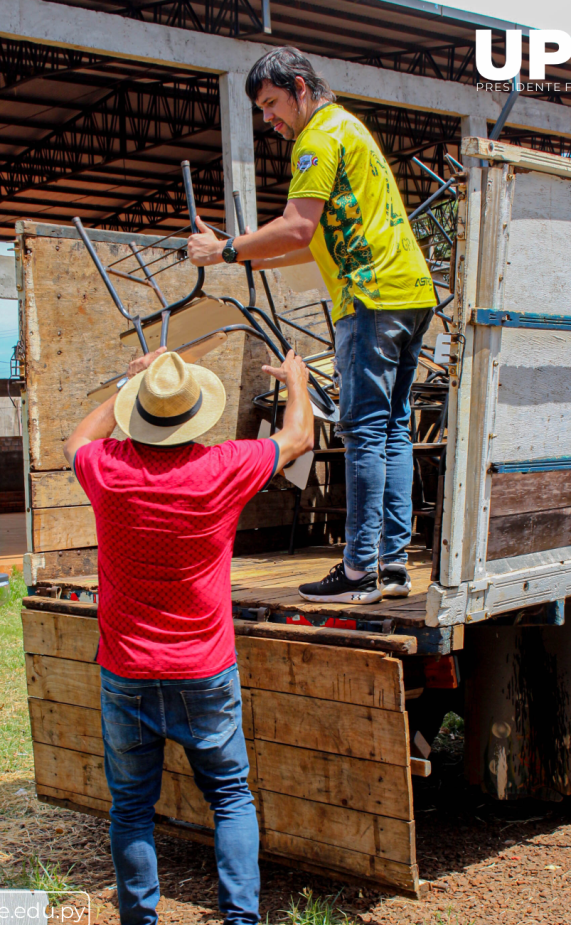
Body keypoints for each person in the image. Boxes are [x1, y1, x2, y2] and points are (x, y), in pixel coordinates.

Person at [63, 346, 313, 925]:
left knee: (131, 810)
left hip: (126, 669)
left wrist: (129, 384)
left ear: (139, 414)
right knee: (230, 798)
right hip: (204, 668)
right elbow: (300, 436)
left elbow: (75, 439)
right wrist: (299, 381)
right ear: (197, 415)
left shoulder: (108, 469)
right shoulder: (224, 467)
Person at [187, 46, 437, 605]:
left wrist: (225, 247)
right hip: (409, 293)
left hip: (369, 298)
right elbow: (308, 243)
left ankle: (356, 570)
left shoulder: (317, 138)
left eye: (274, 104)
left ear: (301, 87)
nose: (271, 119)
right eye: (263, 110)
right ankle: (392, 568)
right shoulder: (349, 128)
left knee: (365, 433)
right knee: (393, 430)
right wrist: (235, 255)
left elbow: (297, 228)